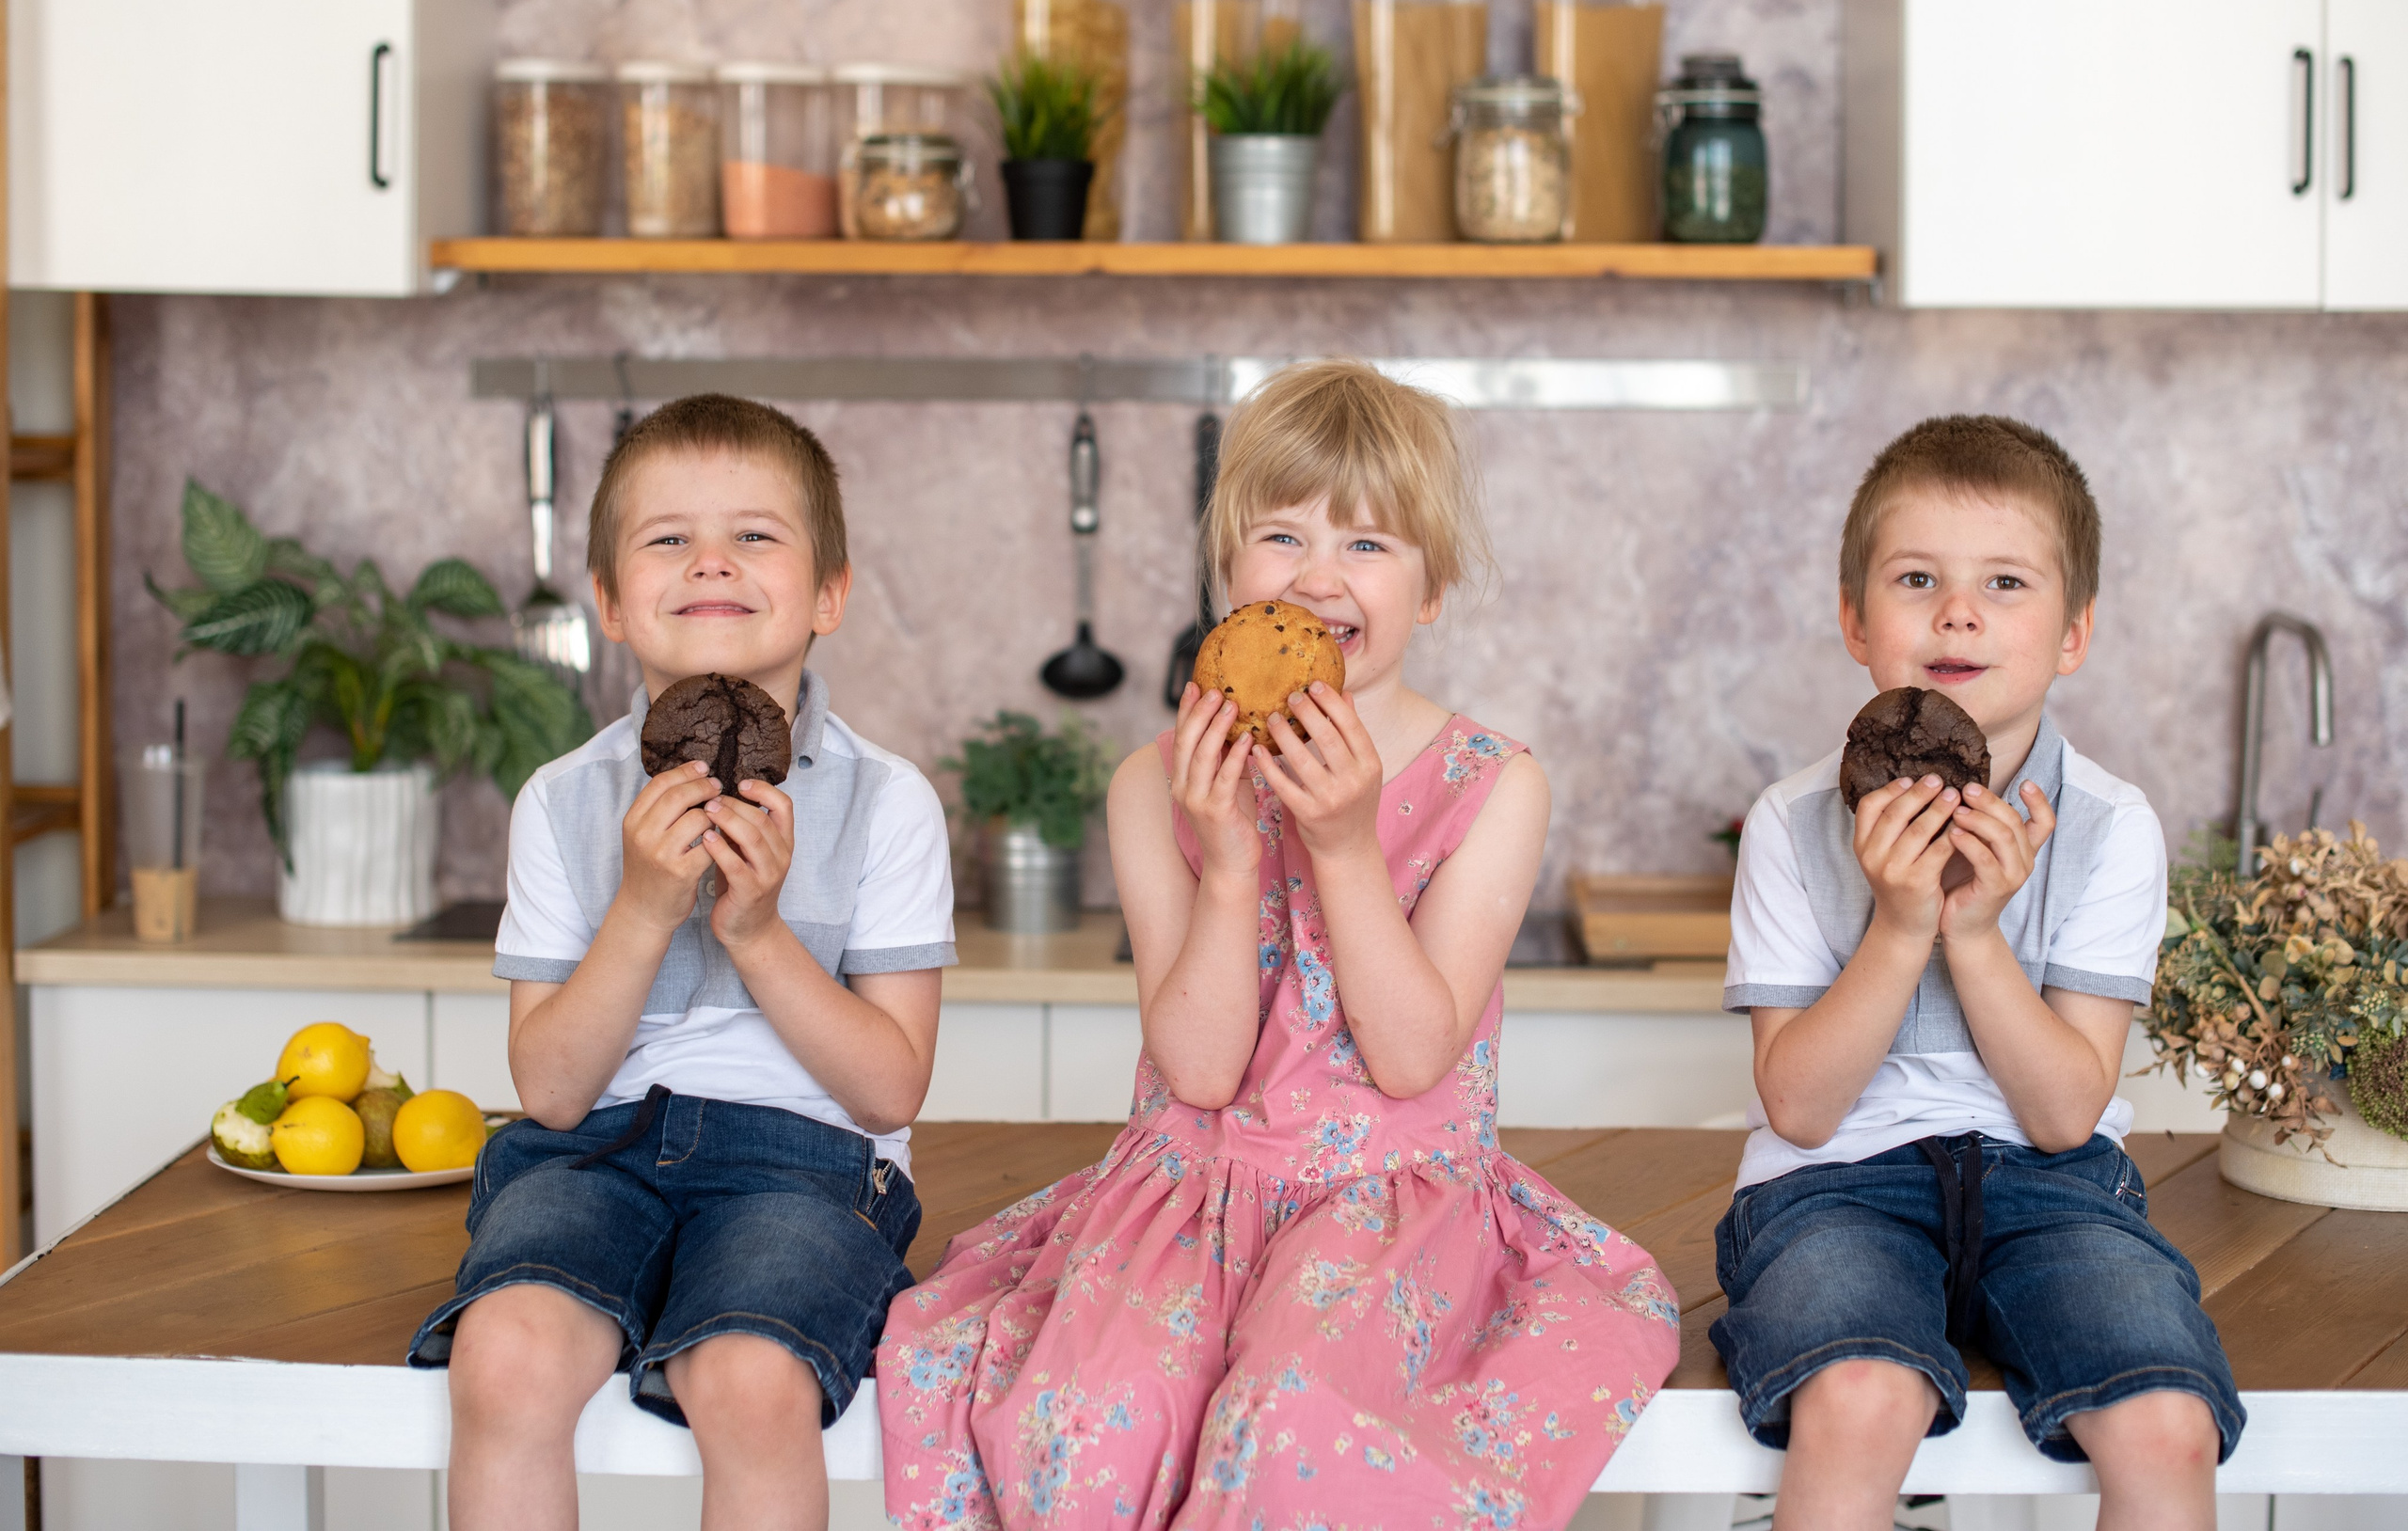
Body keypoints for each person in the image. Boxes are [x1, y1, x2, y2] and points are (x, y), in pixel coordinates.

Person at [878, 359, 1679, 1531]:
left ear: (1434, 588)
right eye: (1281, 537)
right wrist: (1234, 852)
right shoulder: (1152, 784)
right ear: (1228, 576)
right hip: (1182, 1197)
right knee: (1089, 1419)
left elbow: (1412, 1057)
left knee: (1290, 1426)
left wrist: (1344, 846)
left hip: (1397, 1205)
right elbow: (1201, 1072)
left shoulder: (1494, 786)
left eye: (1368, 545)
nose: (1316, 577)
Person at [408, 394, 955, 1531]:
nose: (711, 559)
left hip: (805, 1165)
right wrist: (645, 910)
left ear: (829, 592)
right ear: (610, 601)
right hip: (592, 1154)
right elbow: (552, 1089)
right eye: (668, 538)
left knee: (750, 1383)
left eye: (755, 534)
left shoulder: (888, 801)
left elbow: (889, 1087)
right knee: (503, 1358)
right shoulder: (561, 800)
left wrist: (755, 933)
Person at [1714, 416, 2242, 1530]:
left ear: (2072, 632)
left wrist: (1975, 933)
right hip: (1834, 1188)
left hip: (2052, 1195)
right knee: (1859, 1394)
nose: (1958, 610)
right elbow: (1800, 1108)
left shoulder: (2110, 826)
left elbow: (2062, 1113)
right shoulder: (1789, 823)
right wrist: (1899, 926)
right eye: (1917, 578)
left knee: (2165, 1422)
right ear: (1856, 620)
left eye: (2004, 580)